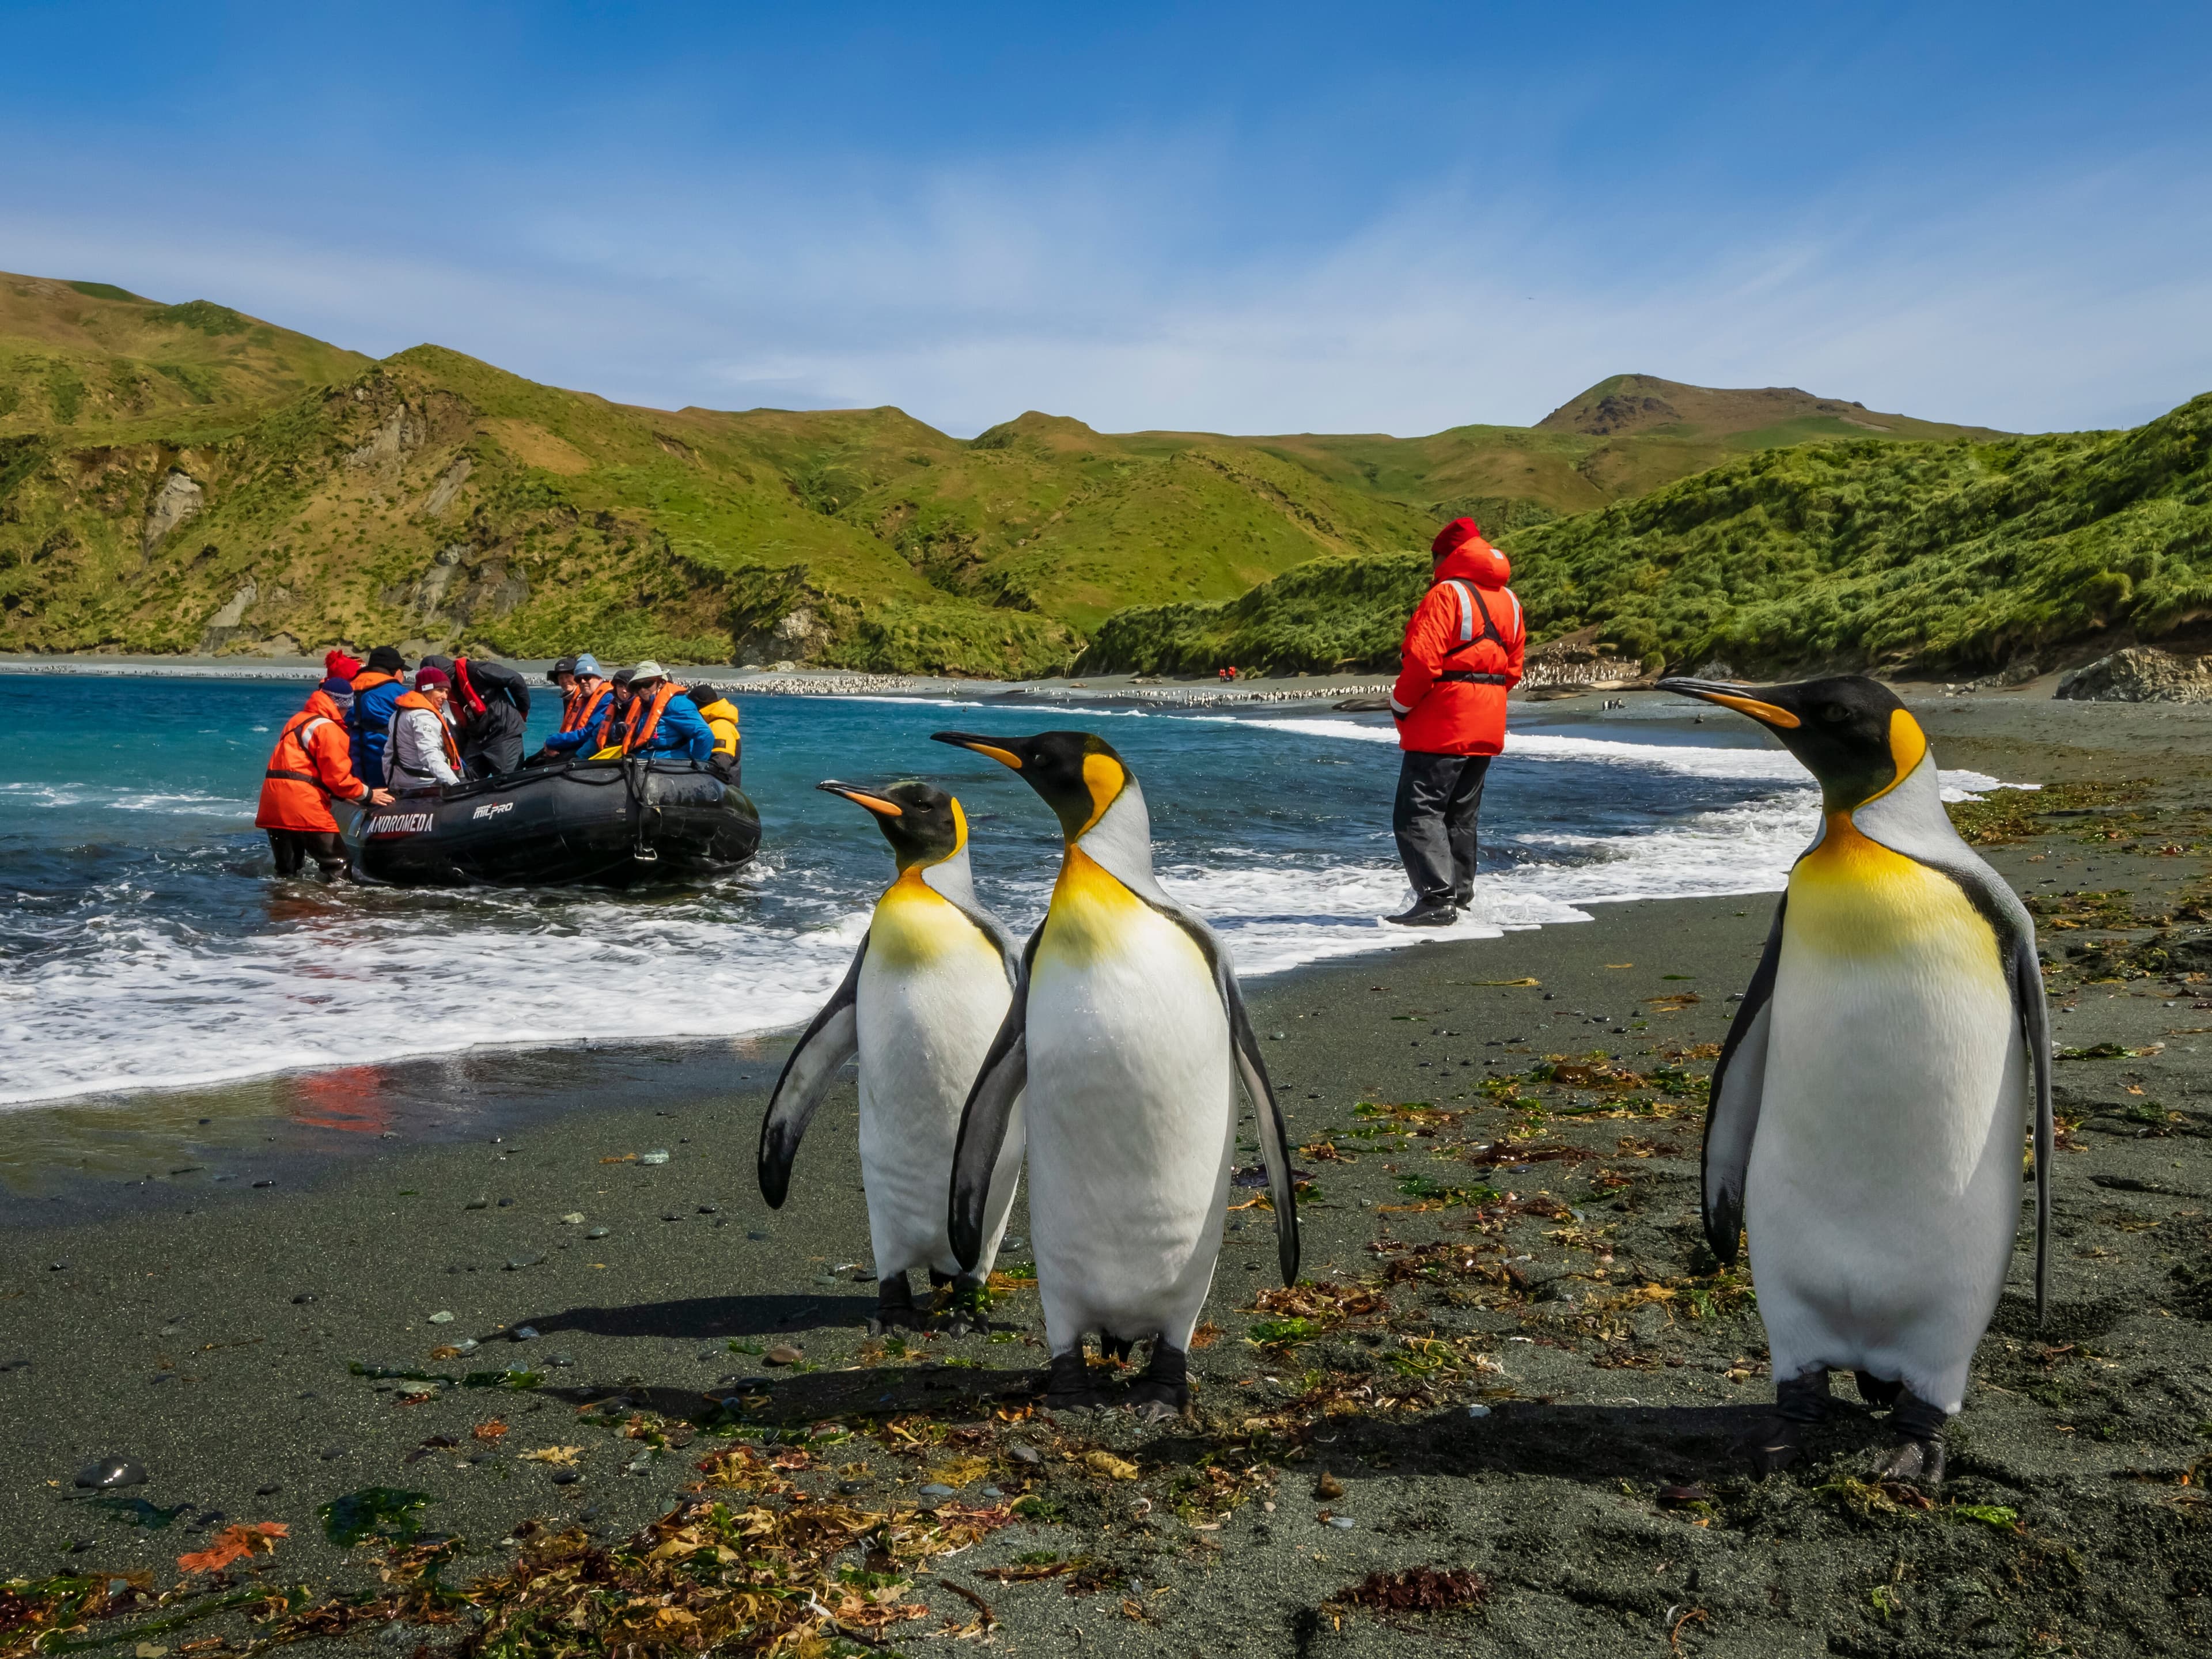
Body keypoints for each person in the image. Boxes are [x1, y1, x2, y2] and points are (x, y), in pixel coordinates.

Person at [1384, 516, 1526, 927]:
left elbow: (1423, 661)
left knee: (1417, 812)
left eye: (1435, 558)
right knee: (1461, 815)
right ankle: (1460, 898)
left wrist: (1401, 704)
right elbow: (1513, 670)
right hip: (1488, 721)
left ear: (1447, 555)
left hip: (1444, 721)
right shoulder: (1510, 600)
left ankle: (1436, 901)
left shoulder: (1447, 593)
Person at [256, 675, 392, 879]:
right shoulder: (329, 729)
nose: (348, 713)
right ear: (342, 705)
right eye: (348, 707)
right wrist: (368, 795)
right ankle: (335, 908)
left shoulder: (296, 720)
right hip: (302, 804)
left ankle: (282, 906)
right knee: (338, 863)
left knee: (288, 869)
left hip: (272, 802)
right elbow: (338, 780)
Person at [423, 653, 531, 777]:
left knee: (508, 781)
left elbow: (515, 678)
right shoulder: (444, 694)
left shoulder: (477, 670)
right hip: (476, 738)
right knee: (464, 780)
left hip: (503, 732)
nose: (442, 692)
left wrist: (523, 710)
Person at [608, 661, 713, 762]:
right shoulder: (643, 706)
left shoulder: (676, 704)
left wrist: (698, 765)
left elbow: (705, 735)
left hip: (667, 766)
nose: (643, 690)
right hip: (642, 762)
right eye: (638, 686)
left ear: (661, 683)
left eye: (647, 683)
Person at [387, 665, 464, 790]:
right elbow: (430, 753)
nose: (445, 697)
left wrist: (391, 782)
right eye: (440, 690)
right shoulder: (424, 716)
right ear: (425, 689)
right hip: (424, 783)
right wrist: (454, 783)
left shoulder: (399, 712)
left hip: (402, 781)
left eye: (447, 692)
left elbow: (389, 752)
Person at [346, 646, 410, 787]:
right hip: (386, 766)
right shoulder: (398, 694)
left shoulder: (348, 688)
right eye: (402, 670)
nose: (404, 675)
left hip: (353, 767)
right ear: (393, 670)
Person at [540, 664, 632, 760]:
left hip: (617, 756)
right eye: (579, 679)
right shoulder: (613, 704)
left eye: (587, 678)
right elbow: (597, 733)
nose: (583, 682)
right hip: (589, 749)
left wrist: (552, 741)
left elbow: (587, 733)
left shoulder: (608, 699)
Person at [686, 681, 741, 781]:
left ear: (697, 705)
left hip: (721, 787)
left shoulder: (721, 726)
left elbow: (721, 761)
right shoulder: (712, 723)